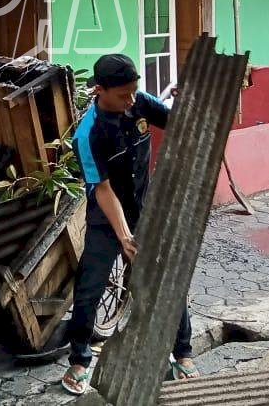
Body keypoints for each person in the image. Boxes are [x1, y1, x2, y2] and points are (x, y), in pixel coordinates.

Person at [61, 54, 198, 395]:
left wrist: (187, 102)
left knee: (164, 278)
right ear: (100, 90)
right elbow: (103, 191)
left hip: (145, 208)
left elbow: (177, 124)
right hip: (107, 217)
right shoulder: (88, 134)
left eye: (134, 91)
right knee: (90, 286)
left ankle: (183, 353)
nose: (131, 100)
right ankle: (79, 361)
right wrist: (124, 237)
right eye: (123, 94)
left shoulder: (139, 103)